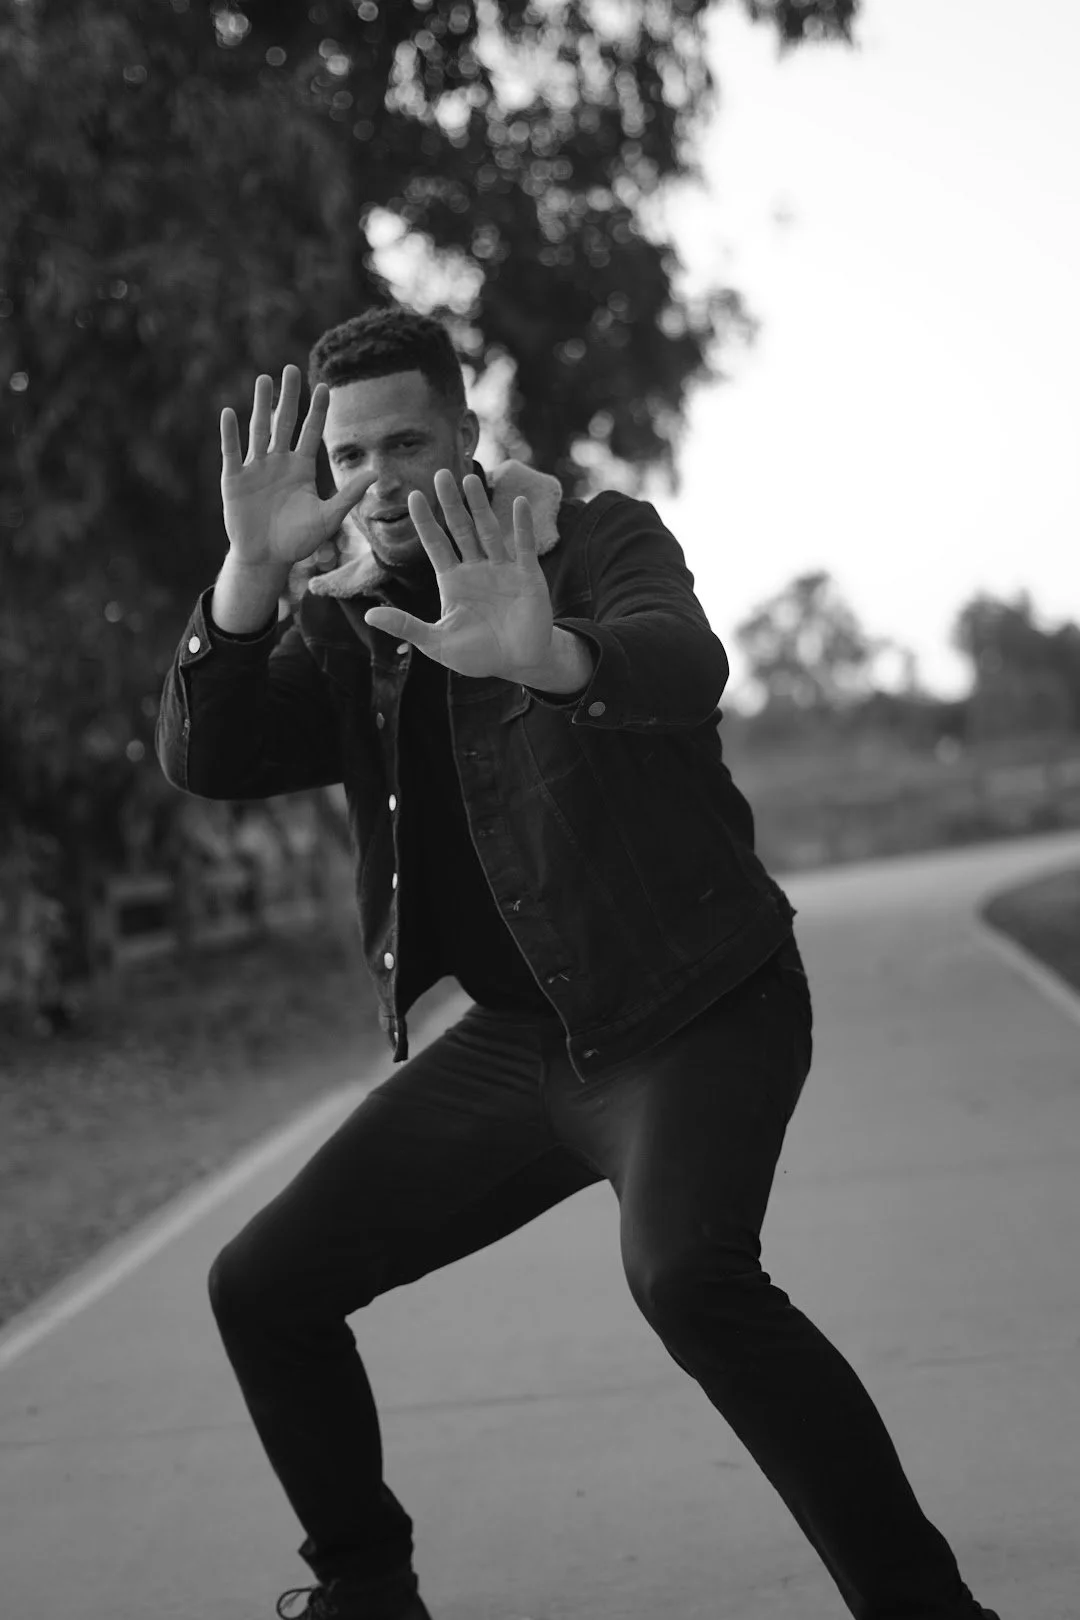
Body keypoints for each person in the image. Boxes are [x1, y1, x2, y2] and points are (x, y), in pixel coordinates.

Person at [155, 306, 998, 1620]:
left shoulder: (596, 539)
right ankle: (369, 1593)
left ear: (468, 434)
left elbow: (681, 659)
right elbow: (215, 759)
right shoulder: (343, 619)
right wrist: (248, 577)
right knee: (260, 1286)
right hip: (517, 1046)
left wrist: (545, 654)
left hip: (697, 1008)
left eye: (408, 443)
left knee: (688, 1279)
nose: (379, 481)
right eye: (353, 456)